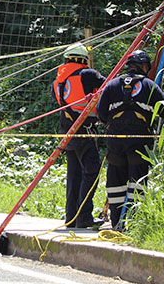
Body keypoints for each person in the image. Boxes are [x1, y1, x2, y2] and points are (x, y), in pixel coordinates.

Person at [96, 50, 164, 230]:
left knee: (115, 182)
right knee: (137, 181)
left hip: (115, 141)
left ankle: (116, 223)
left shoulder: (112, 85)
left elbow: (101, 112)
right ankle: (134, 223)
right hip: (140, 141)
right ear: (144, 66)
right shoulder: (151, 86)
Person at [52, 43, 105, 228]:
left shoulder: (58, 81)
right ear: (84, 60)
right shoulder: (87, 74)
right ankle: (83, 217)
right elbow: (109, 87)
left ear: (67, 59)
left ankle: (71, 217)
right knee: (91, 171)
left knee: (74, 174)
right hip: (83, 131)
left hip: (66, 130)